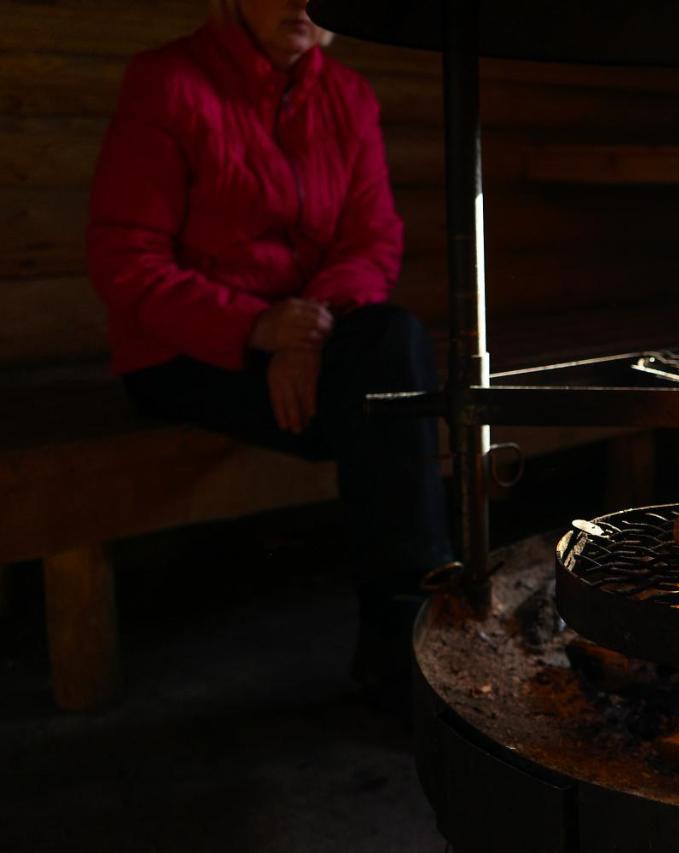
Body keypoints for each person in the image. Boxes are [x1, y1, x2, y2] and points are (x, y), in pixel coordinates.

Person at [86, 0, 455, 703]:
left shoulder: (348, 95)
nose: (303, 3)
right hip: (184, 352)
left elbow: (371, 241)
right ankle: (408, 651)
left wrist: (307, 329)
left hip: (306, 339)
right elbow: (125, 258)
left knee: (393, 340)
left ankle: (407, 633)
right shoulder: (168, 82)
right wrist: (259, 328)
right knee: (381, 396)